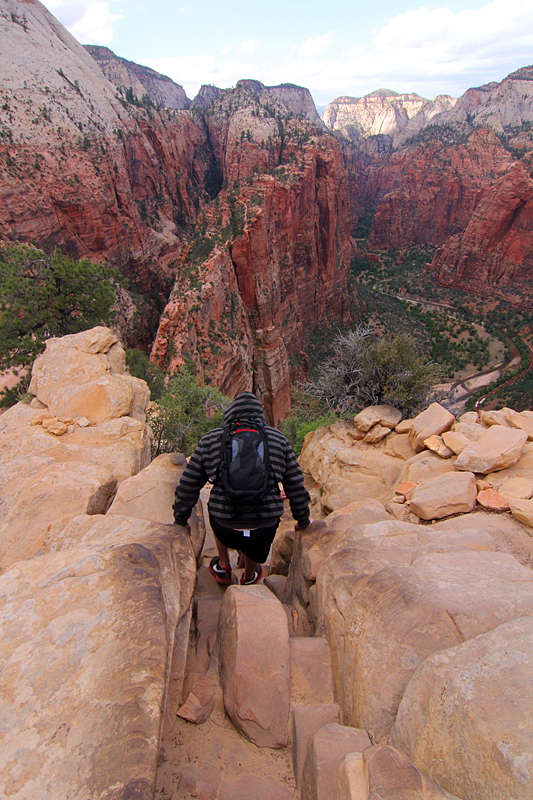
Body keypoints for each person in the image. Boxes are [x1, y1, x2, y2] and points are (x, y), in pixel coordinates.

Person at [173, 391, 313, 585]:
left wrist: (180, 519)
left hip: (225, 526)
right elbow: (296, 485)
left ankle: (223, 565)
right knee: (257, 537)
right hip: (263, 529)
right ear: (260, 415)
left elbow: (189, 484)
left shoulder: (211, 439)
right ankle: (248, 575)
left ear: (230, 414)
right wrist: (303, 520)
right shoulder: (279, 440)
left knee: (215, 504)